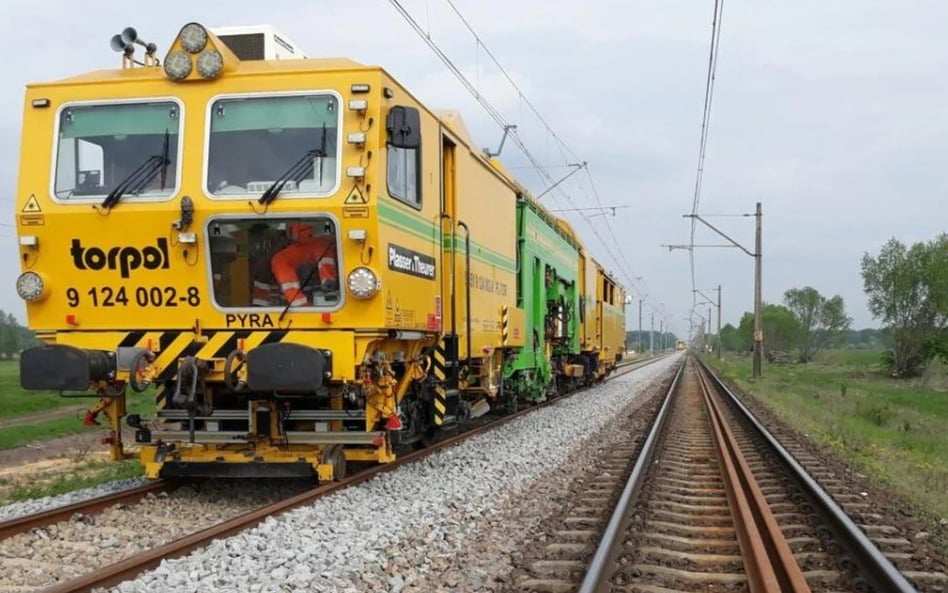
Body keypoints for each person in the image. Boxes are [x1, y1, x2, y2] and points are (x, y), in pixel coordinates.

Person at [270, 222, 338, 307]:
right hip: (330, 302)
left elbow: (290, 289)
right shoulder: (327, 244)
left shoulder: (282, 258)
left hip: (300, 309)